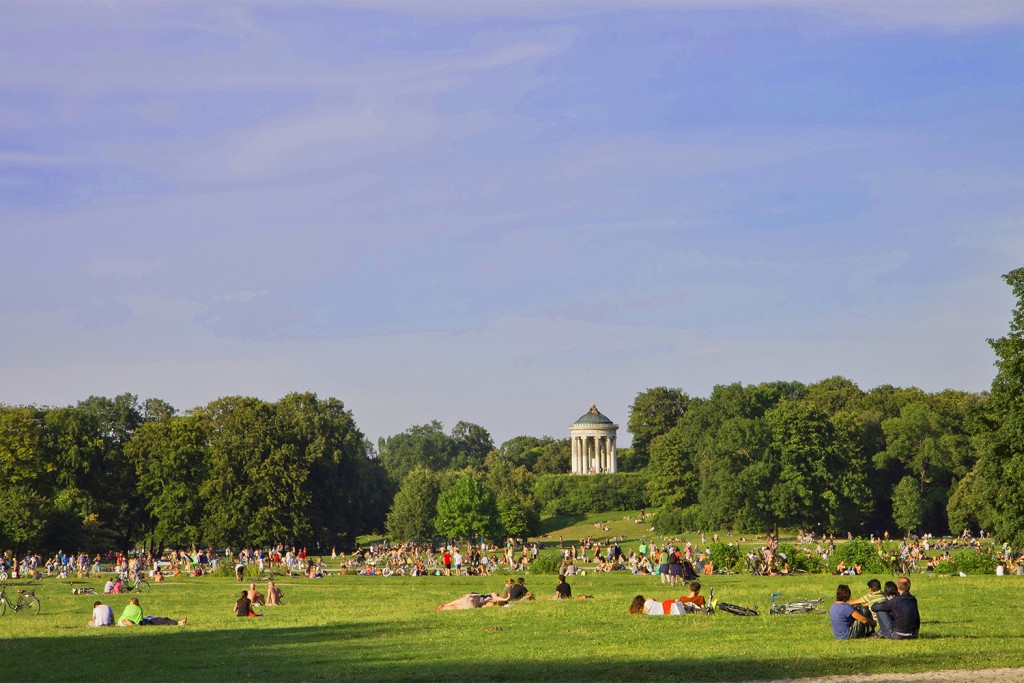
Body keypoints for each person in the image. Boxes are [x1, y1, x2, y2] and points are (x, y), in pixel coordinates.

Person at [119, 597, 187, 627]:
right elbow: (139, 620)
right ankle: (179, 622)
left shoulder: (127, 607)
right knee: (161, 620)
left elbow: (126, 616)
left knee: (150, 617)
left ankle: (179, 622)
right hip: (141, 621)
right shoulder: (138, 608)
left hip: (140, 620)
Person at [436, 593, 508, 610]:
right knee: (457, 607)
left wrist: (506, 599)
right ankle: (443, 608)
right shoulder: (491, 601)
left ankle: (444, 606)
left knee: (459, 602)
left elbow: (496, 597)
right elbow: (481, 606)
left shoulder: (491, 597)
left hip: (472, 599)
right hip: (473, 603)